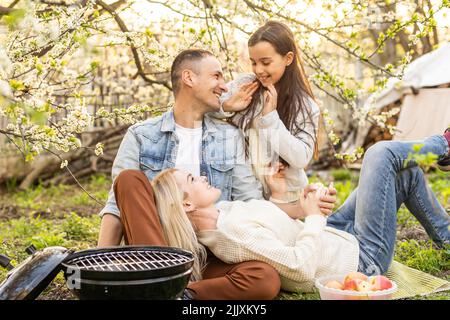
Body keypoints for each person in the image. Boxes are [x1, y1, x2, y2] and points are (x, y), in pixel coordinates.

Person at [149, 134, 450, 292]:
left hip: (336, 237)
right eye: (192, 180)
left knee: (404, 174)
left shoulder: (223, 211)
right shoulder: (232, 236)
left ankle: (446, 239)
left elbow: (275, 220)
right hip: (361, 260)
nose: (201, 176)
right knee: (380, 154)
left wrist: (302, 202)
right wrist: (314, 218)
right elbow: (300, 268)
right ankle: (443, 145)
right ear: (187, 204)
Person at [96, 49, 283, 300]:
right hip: (156, 248)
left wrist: (287, 208)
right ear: (189, 78)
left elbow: (249, 200)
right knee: (128, 180)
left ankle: (177, 296)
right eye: (216, 76)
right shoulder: (141, 135)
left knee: (264, 277)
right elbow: (117, 207)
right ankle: (161, 277)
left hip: (209, 252)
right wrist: (99, 272)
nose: (224, 85)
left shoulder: (229, 137)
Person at [214, 21, 322, 204]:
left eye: (265, 62)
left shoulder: (305, 105)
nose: (258, 70)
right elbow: (205, 110)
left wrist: (271, 119)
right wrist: (227, 107)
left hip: (286, 199)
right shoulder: (245, 85)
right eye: (253, 62)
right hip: (245, 194)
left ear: (288, 59)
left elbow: (301, 157)